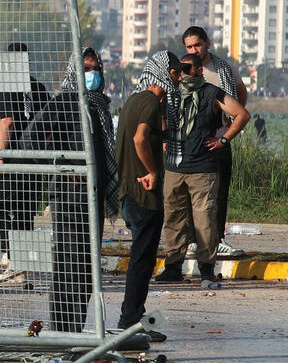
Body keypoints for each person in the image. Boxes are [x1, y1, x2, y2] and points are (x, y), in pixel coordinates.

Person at [24, 48, 119, 331]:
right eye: (86, 68)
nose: (93, 74)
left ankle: (75, 327)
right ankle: (62, 328)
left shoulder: (99, 104)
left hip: (94, 194)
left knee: (87, 266)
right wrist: (64, 164)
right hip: (69, 196)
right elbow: (32, 138)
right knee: (69, 263)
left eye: (96, 68)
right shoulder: (65, 100)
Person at [156, 53, 249, 287]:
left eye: (188, 69)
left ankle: (206, 268)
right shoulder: (172, 93)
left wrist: (223, 140)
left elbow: (241, 114)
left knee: (204, 220)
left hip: (202, 168)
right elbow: (160, 120)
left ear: (199, 70)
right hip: (175, 167)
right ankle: (173, 267)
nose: (183, 74)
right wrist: (162, 137)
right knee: (174, 219)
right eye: (180, 69)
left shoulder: (212, 93)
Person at [115, 50, 182, 336]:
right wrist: (153, 171)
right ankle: (129, 321)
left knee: (141, 258)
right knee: (142, 262)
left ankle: (135, 318)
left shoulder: (136, 100)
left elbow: (157, 133)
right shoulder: (150, 103)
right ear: (163, 73)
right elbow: (140, 138)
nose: (178, 76)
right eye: (175, 72)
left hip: (129, 194)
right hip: (144, 196)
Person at [182, 27, 248, 256]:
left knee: (219, 193)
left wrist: (228, 130)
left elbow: (241, 93)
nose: (194, 50)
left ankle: (217, 238)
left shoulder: (224, 69)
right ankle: (193, 240)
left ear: (207, 42)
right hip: (190, 143)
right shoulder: (183, 69)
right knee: (190, 194)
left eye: (197, 45)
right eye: (189, 47)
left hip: (218, 139)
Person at [0, 42, 49, 282]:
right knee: (25, 213)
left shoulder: (8, 85)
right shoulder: (38, 87)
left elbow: (6, 121)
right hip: (34, 160)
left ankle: (15, 259)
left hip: (13, 159)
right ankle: (21, 267)